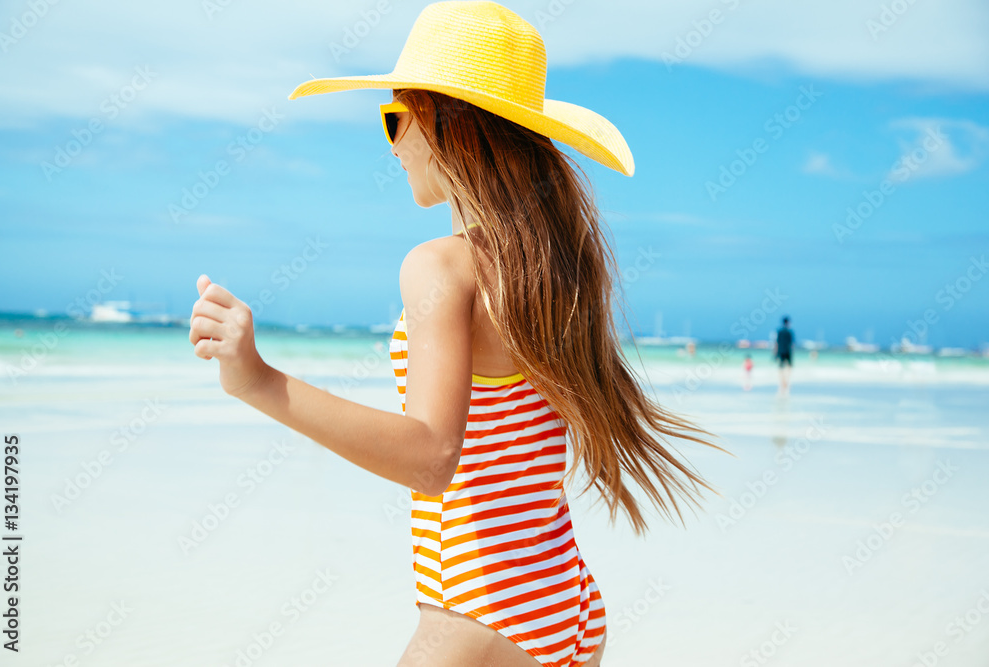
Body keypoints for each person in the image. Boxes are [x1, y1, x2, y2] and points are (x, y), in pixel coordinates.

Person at [188, 2, 730, 665]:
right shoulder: (557, 267)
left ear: (451, 126)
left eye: (395, 119)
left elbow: (430, 454)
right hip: (566, 600)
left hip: (477, 609)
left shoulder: (439, 267)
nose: (391, 145)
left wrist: (260, 381)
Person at [774, 316, 795, 396]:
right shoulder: (790, 332)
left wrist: (775, 354)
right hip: (788, 351)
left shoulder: (779, 332)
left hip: (781, 351)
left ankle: (782, 382)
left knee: (781, 367)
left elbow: (777, 343)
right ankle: (786, 381)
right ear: (788, 322)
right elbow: (792, 345)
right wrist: (792, 354)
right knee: (789, 367)